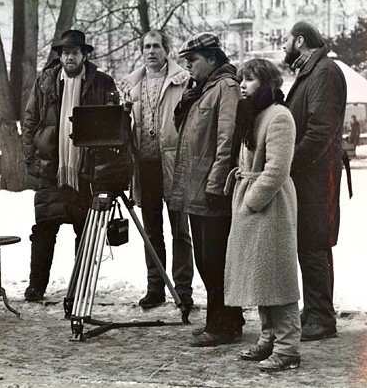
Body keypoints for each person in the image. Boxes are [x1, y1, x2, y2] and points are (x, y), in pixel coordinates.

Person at [22, 30, 117, 301]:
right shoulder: (45, 83)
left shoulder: (101, 83)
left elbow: (114, 125)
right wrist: (32, 162)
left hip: (86, 172)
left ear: (84, 55)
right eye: (65, 53)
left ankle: (79, 287)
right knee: (43, 231)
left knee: (84, 233)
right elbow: (30, 122)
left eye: (74, 52)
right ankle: (36, 285)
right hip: (51, 169)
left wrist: (104, 172)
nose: (69, 57)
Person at [224, 59, 301, 372]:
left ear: (267, 83)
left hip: (272, 206)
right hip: (253, 201)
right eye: (242, 79)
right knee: (260, 275)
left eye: (251, 80)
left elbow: (278, 168)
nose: (243, 85)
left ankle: (288, 349)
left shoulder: (279, 116)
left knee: (277, 277)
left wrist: (252, 200)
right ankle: (269, 337)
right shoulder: (254, 113)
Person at [169, 32, 244, 347]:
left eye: (194, 60)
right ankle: (225, 320)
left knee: (214, 260)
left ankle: (224, 325)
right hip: (195, 188)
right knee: (204, 258)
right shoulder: (201, 90)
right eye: (186, 61)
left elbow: (226, 139)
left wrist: (216, 183)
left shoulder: (225, 88)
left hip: (211, 189)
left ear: (212, 59)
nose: (189, 67)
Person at [117, 30, 194, 313]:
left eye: (157, 46)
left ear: (167, 50)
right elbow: (126, 124)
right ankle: (156, 287)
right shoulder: (132, 85)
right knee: (151, 231)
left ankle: (182, 290)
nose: (151, 51)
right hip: (145, 165)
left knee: (180, 231)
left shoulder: (181, 81)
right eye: (146, 46)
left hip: (174, 163)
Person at [282, 21, 346, 341]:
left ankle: (321, 317)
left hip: (317, 175)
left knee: (314, 244)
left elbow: (321, 130)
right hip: (311, 174)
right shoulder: (312, 71)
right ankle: (316, 311)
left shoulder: (323, 72)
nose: (283, 46)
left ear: (301, 41)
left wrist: (290, 163)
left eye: (287, 40)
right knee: (310, 244)